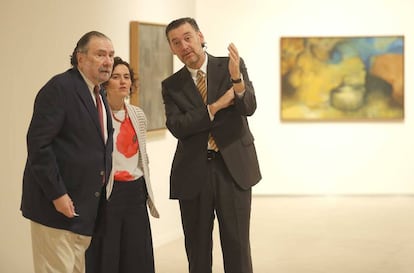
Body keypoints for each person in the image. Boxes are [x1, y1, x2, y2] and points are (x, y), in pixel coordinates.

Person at [162, 17, 262, 273]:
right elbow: (178, 127)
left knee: (238, 246)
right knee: (197, 249)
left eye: (187, 38)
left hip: (233, 170)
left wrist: (237, 80)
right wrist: (215, 107)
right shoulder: (172, 86)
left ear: (200, 36)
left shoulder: (230, 66)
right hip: (194, 171)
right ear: (172, 49)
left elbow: (248, 106)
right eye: (176, 42)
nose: (184, 46)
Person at [21, 31, 115, 273]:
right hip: (56, 208)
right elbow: (38, 145)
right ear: (80, 58)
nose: (107, 61)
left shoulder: (98, 93)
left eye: (111, 55)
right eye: (100, 54)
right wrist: (57, 194)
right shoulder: (60, 88)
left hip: (83, 208)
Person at [86, 56, 159, 273]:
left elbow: (142, 156)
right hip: (109, 193)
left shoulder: (137, 114)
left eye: (126, 77)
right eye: (116, 77)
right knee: (108, 254)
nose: (123, 82)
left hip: (135, 192)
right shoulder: (96, 114)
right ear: (106, 82)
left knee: (137, 254)